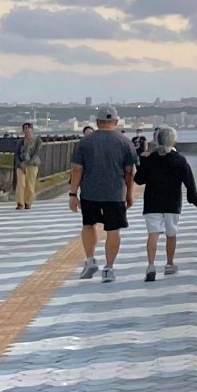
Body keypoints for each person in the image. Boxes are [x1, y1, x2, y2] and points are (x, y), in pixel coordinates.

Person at [68, 107, 137, 284]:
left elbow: (77, 170)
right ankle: (109, 268)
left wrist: (73, 194)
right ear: (115, 121)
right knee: (113, 230)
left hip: (89, 193)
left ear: (97, 122)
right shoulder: (125, 142)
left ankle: (90, 260)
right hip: (115, 194)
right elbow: (129, 172)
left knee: (88, 225)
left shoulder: (84, 142)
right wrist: (129, 193)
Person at [137, 127, 197, 282]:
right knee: (171, 234)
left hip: (152, 202)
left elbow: (139, 179)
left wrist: (143, 161)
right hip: (172, 203)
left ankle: (151, 266)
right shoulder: (179, 160)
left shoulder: (150, 159)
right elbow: (190, 183)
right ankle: (169, 264)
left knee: (153, 234)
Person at [13, 123, 41, 209]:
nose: (27, 130)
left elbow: (36, 153)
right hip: (21, 165)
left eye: (29, 128)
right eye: (25, 128)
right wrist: (20, 163)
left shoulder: (37, 141)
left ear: (32, 129)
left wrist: (29, 162)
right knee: (21, 183)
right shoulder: (20, 142)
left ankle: (27, 202)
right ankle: (20, 203)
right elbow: (17, 154)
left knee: (30, 184)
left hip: (32, 165)